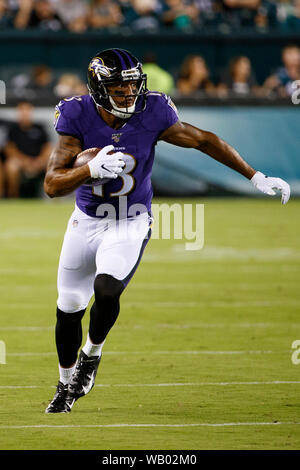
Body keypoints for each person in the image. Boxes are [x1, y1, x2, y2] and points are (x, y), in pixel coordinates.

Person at [43, 48, 290, 413]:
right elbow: (52, 185)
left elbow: (204, 139)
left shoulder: (152, 110)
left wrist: (255, 177)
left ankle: (91, 356)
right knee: (69, 307)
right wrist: (90, 170)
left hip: (131, 219)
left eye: (132, 86)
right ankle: (65, 385)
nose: (129, 94)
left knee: (107, 289)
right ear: (98, 88)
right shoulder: (76, 115)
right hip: (86, 220)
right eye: (119, 87)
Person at [4, 101, 52, 198]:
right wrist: (25, 161)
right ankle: (13, 197)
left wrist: (39, 161)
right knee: (11, 166)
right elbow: (10, 149)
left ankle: (52, 198)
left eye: (27, 110)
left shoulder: (39, 127)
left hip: (39, 161)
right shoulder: (13, 129)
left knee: (51, 166)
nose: (24, 113)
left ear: (31, 112)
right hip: (20, 161)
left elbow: (47, 147)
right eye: (22, 110)